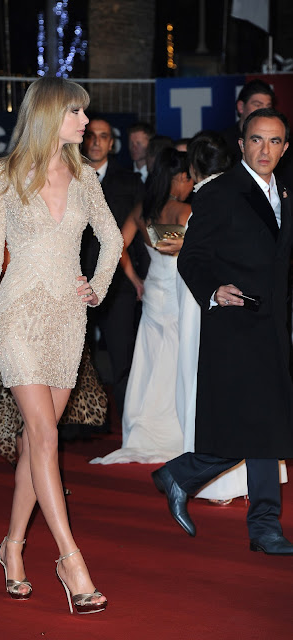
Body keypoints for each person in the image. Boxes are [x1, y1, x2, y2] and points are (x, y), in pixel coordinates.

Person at [0, 77, 122, 613]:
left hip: (67, 318)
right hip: (16, 314)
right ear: (50, 114)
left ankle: (12, 547)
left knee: (40, 443)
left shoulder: (84, 176)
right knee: (44, 435)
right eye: (76, 112)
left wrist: (97, 286)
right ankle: (70, 560)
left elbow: (112, 238)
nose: (86, 122)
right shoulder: (3, 174)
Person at [152, 108, 293, 555]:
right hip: (236, 323)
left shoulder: (287, 193)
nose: (265, 149)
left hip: (275, 327)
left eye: (274, 141)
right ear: (242, 144)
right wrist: (213, 289)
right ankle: (262, 523)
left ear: (285, 147)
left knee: (267, 424)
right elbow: (192, 257)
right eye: (257, 140)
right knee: (261, 423)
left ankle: (184, 476)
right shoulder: (219, 191)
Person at [91, 147, 193, 465]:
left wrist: (136, 279)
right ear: (179, 177)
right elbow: (176, 247)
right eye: (190, 177)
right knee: (178, 364)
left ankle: (145, 429)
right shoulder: (184, 211)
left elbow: (117, 245)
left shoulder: (142, 210)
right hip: (179, 296)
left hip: (152, 294)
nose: (192, 183)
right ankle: (177, 432)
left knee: (149, 363)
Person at [81, 117, 148, 418]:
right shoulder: (67, 176)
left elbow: (140, 234)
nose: (96, 141)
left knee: (123, 355)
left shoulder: (130, 182)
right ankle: (81, 422)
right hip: (76, 281)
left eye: (103, 136)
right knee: (76, 358)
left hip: (118, 281)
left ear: (111, 143)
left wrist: (140, 277)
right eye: (91, 135)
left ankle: (128, 421)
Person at [221, 79, 274, 163]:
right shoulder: (223, 143)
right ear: (241, 107)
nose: (264, 112)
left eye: (268, 107)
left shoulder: (277, 142)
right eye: (257, 105)